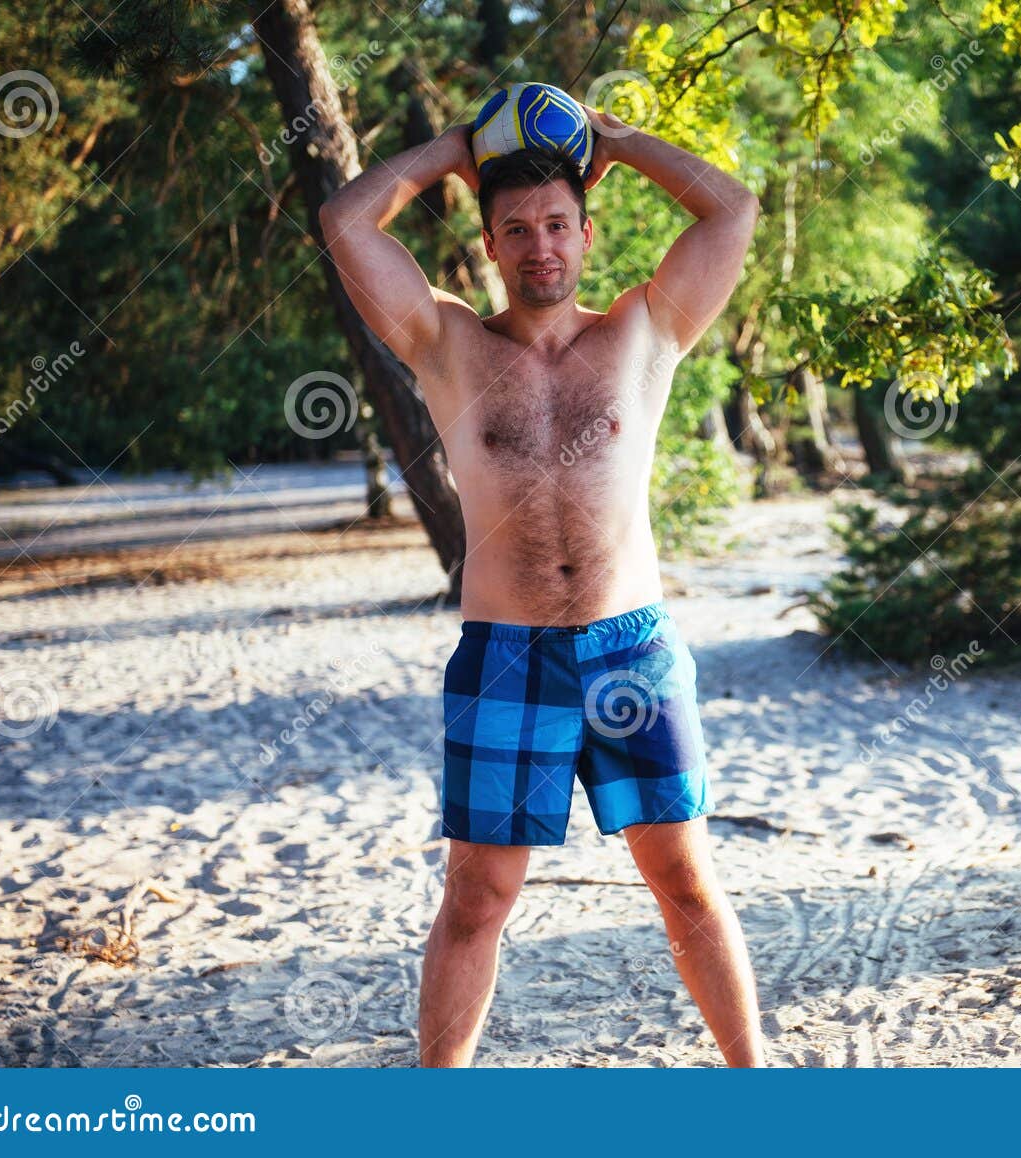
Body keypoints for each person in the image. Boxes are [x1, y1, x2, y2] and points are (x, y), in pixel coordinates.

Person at [319, 103, 765, 1067]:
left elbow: (732, 209)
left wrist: (622, 142)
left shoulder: (647, 329)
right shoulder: (446, 342)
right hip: (506, 658)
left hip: (631, 649)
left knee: (685, 882)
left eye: (557, 224)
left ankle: (756, 1087)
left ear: (587, 232)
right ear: (488, 245)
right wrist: (452, 152)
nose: (540, 246)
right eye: (516, 229)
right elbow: (345, 221)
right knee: (478, 897)